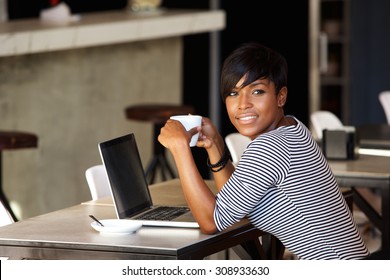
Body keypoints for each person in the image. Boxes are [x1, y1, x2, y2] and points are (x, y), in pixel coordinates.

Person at [158, 42, 369, 260]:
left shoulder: (269, 147)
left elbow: (212, 222)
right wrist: (215, 145)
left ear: (281, 97)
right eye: (233, 93)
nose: (243, 104)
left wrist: (180, 148)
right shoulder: (294, 127)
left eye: (257, 91)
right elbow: (236, 205)